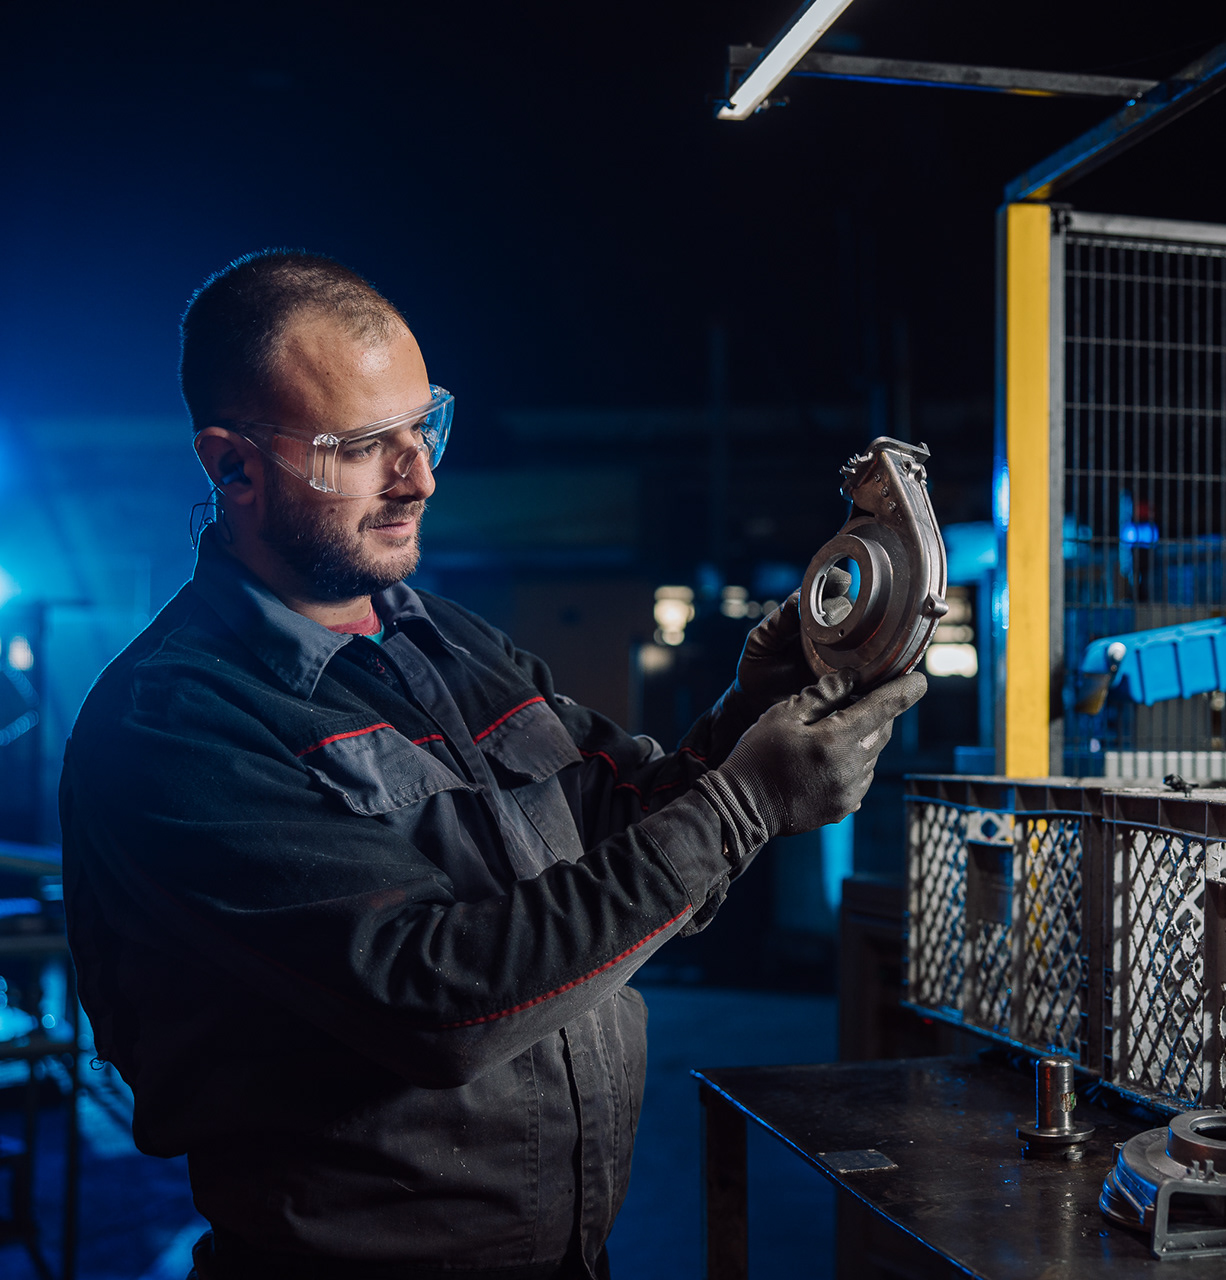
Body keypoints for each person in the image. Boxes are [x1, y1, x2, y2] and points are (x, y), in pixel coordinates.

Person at [59, 250, 925, 1279]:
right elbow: (439, 1003)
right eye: (364, 446)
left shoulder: (450, 643)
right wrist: (746, 802)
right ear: (233, 466)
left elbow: (629, 839)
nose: (419, 476)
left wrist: (751, 714)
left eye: (423, 427)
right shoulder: (176, 725)